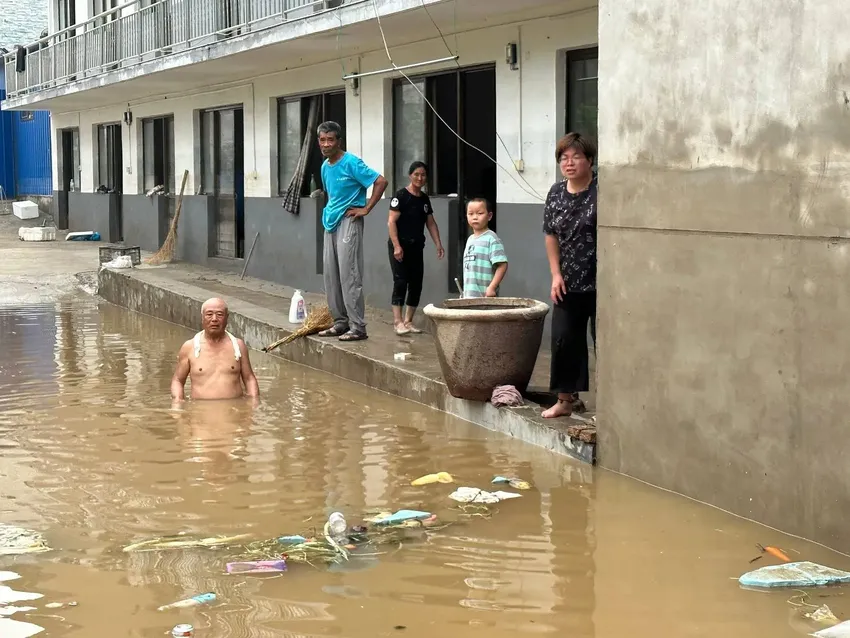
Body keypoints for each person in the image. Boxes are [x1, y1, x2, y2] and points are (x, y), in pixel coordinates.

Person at [314, 121, 388, 342]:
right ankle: (340, 322)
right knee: (331, 275)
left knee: (349, 274)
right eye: (322, 140)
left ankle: (358, 326)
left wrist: (366, 208)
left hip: (349, 220)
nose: (326, 144)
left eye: (330, 140)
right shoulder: (325, 166)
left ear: (339, 141)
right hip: (330, 222)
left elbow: (381, 181)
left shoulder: (352, 162)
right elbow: (331, 194)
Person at [541, 133, 598, 419]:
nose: (569, 163)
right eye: (564, 158)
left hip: (602, 282)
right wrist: (555, 274)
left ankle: (611, 407)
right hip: (568, 281)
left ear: (590, 160)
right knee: (564, 339)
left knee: (605, 342)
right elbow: (550, 234)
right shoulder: (555, 192)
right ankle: (565, 401)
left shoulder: (603, 190)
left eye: (576, 156)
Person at [388, 161, 445, 334]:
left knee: (416, 283)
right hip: (400, 247)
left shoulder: (424, 199)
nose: (420, 178)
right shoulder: (401, 196)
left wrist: (438, 244)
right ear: (410, 175)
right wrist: (397, 246)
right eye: (416, 174)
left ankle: (408, 321)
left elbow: (431, 223)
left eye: (423, 175)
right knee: (400, 282)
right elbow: (391, 222)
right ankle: (397, 322)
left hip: (416, 247)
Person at [171, 297, 260, 401]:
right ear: (202, 317)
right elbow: (178, 380)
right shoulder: (190, 347)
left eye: (219, 314)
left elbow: (249, 379)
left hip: (234, 410)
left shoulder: (238, 346)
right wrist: (177, 404)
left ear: (227, 318)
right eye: (209, 314)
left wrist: (254, 403)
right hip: (199, 412)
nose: (214, 319)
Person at [462, 198, 508, 298]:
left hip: (486, 298)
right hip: (469, 297)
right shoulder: (470, 240)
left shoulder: (492, 239)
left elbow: (502, 265)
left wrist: (492, 287)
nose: (475, 217)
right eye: (471, 213)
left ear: (489, 216)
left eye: (479, 213)